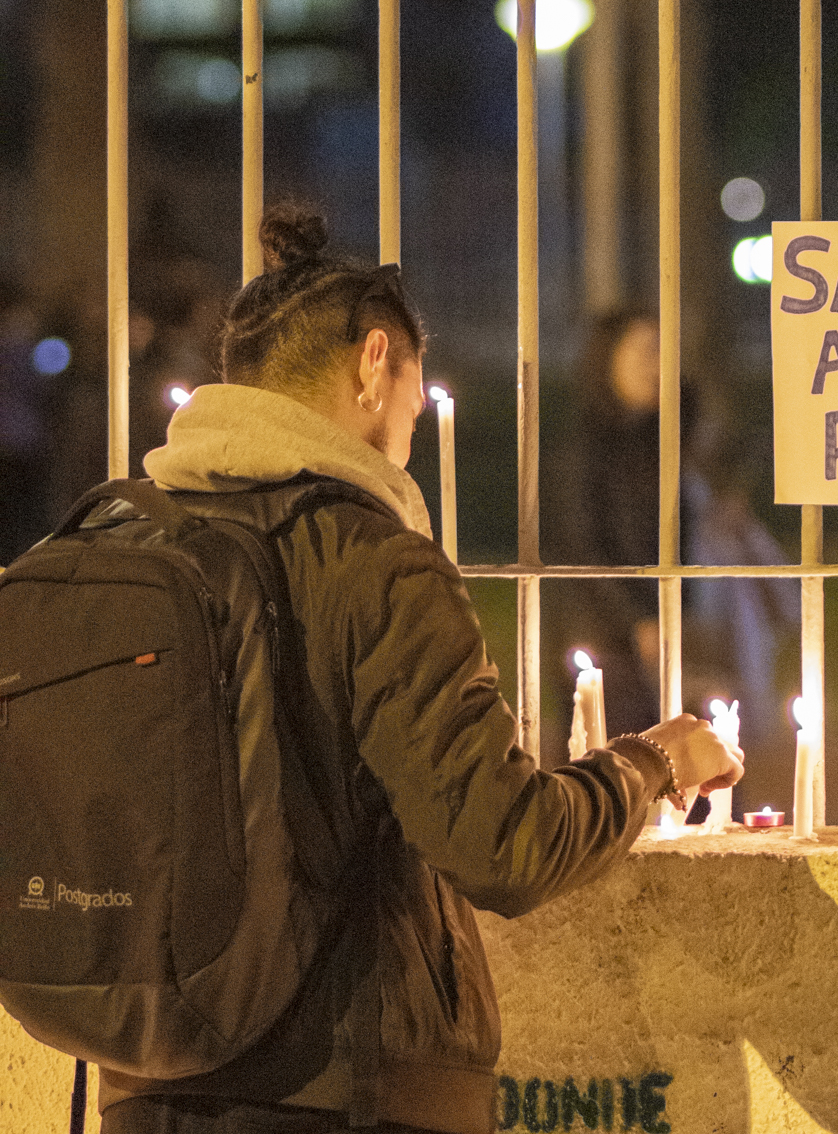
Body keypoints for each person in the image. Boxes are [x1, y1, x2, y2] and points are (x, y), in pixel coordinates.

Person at [98, 203, 741, 1134]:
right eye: (412, 389)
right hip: (335, 1090)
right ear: (372, 362)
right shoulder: (376, 565)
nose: (410, 422)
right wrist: (652, 763)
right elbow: (507, 845)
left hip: (138, 1077)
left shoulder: (130, 543)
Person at [553, 309, 796, 744]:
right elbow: (583, 545)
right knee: (625, 766)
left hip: (678, 631)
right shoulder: (584, 449)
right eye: (647, 352)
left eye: (666, 353)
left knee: (704, 776)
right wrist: (642, 617)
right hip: (609, 642)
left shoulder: (670, 442)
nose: (660, 366)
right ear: (608, 359)